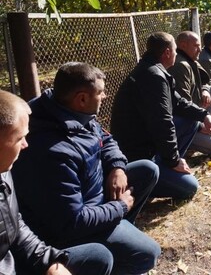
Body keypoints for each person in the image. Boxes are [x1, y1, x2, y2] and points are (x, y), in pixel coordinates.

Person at [12, 63, 161, 273]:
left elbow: (105, 139)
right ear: (81, 98)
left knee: (147, 170)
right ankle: (114, 251)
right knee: (148, 253)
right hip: (75, 224)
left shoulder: (71, 110)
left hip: (94, 197)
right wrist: (120, 207)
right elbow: (72, 221)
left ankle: (120, 235)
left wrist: (116, 168)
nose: (105, 96)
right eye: (100, 92)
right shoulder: (52, 151)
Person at [0, 90, 115, 275]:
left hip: (21, 261)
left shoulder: (4, 171)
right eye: (19, 138)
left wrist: (50, 263)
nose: (25, 145)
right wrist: (121, 207)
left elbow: (15, 226)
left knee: (99, 257)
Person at [111, 32, 211, 200]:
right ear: (167, 52)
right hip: (137, 154)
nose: (176, 54)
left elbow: (178, 103)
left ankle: (166, 166)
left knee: (190, 120)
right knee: (190, 187)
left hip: (147, 142)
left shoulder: (154, 70)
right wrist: (174, 160)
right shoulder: (153, 76)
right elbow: (162, 122)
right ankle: (151, 178)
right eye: (175, 50)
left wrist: (204, 115)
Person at [169, 31, 211, 156]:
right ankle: (192, 141)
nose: (200, 49)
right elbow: (183, 104)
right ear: (183, 45)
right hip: (185, 120)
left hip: (195, 110)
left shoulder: (191, 60)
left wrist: (205, 90)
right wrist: (201, 124)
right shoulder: (180, 65)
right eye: (196, 46)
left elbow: (204, 80)